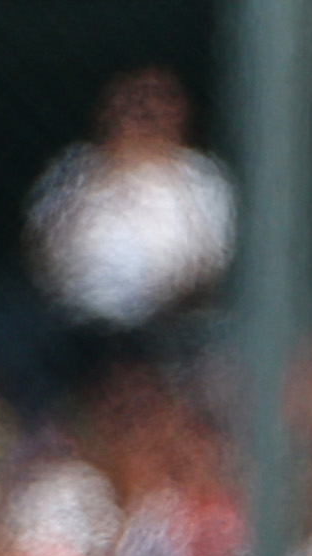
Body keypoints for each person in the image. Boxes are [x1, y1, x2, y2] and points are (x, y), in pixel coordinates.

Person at [22, 67, 231, 387]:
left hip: (170, 333)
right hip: (83, 333)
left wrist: (156, 305)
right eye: (133, 102)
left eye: (158, 103)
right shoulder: (74, 171)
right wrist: (112, 172)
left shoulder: (200, 179)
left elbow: (208, 264)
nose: (145, 113)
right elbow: (43, 248)